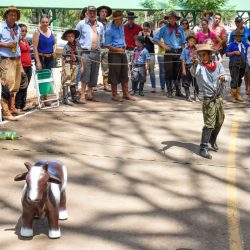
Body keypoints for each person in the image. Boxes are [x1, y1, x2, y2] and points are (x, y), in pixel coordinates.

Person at [192, 44, 226, 159]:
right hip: (208, 99)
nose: (202, 57)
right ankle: (203, 148)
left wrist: (223, 78)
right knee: (209, 124)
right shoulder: (200, 67)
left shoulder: (219, 65)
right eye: (200, 55)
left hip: (219, 98)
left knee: (220, 120)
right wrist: (195, 63)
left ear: (210, 54)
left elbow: (226, 76)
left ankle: (212, 140)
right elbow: (193, 73)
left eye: (204, 55)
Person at [153, 11, 186, 98]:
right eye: (170, 18)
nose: (172, 19)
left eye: (174, 18)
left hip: (178, 51)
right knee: (168, 72)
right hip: (169, 51)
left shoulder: (180, 28)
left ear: (176, 19)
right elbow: (155, 38)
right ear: (168, 19)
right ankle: (169, 91)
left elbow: (183, 41)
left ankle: (178, 91)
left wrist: (184, 53)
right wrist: (163, 45)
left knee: (178, 72)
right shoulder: (164, 28)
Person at [104, 10, 136, 102]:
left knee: (124, 72)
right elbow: (107, 45)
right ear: (115, 19)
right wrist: (118, 50)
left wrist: (123, 48)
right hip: (114, 53)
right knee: (114, 73)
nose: (122, 20)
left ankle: (126, 94)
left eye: (122, 19)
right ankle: (114, 94)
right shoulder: (109, 30)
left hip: (122, 51)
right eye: (120, 19)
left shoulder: (121, 26)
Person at [76, 6, 104, 103]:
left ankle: (90, 93)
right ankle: (82, 95)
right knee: (85, 73)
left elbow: (102, 40)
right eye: (90, 12)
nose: (92, 14)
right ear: (87, 13)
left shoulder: (100, 25)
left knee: (94, 73)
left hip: (96, 52)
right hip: (85, 52)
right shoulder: (81, 24)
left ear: (96, 13)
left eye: (94, 12)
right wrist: (78, 53)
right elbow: (76, 39)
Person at [0, 6, 22, 121]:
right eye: (11, 14)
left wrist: (21, 63)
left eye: (15, 15)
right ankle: (5, 112)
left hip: (16, 59)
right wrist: (6, 45)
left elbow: (17, 43)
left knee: (15, 86)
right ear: (6, 15)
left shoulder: (17, 28)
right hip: (6, 59)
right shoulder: (1, 27)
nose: (13, 16)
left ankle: (12, 107)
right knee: (6, 86)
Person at [229, 16, 250, 95]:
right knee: (235, 75)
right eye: (236, 22)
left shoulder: (248, 31)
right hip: (236, 59)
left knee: (247, 72)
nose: (238, 23)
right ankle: (234, 94)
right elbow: (230, 44)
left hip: (247, 55)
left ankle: (247, 88)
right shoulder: (232, 33)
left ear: (242, 22)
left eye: (239, 22)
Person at [226, 29, 249, 103]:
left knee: (239, 78)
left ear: (241, 37)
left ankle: (237, 94)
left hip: (242, 63)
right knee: (234, 78)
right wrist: (234, 52)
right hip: (234, 63)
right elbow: (227, 54)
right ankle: (232, 95)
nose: (238, 37)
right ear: (235, 36)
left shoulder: (245, 44)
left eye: (239, 36)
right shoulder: (231, 45)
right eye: (237, 36)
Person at [61, 29, 82, 105]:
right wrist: (63, 68)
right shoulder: (66, 47)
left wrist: (82, 66)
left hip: (75, 64)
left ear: (74, 37)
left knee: (73, 79)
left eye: (72, 36)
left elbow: (80, 56)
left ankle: (74, 97)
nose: (70, 38)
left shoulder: (78, 46)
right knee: (67, 78)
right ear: (67, 38)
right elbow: (63, 58)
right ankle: (65, 98)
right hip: (67, 63)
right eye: (69, 36)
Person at [15, 24, 33, 112]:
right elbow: (17, 56)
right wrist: (21, 68)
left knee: (26, 86)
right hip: (21, 67)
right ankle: (17, 106)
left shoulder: (26, 41)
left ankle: (23, 105)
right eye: (22, 31)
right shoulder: (17, 42)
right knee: (21, 87)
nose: (24, 33)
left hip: (29, 66)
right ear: (18, 31)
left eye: (25, 31)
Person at [97, 5, 112, 92]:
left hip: (107, 47)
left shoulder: (110, 23)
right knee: (95, 66)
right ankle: (93, 85)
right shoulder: (95, 22)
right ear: (99, 13)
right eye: (102, 11)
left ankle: (106, 84)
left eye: (105, 12)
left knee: (106, 67)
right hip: (97, 47)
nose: (104, 13)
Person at [138, 22, 156, 93]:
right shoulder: (140, 33)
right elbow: (138, 42)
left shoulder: (153, 32)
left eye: (146, 29)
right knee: (140, 70)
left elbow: (155, 42)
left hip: (151, 53)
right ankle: (139, 87)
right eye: (144, 29)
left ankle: (153, 87)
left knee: (151, 71)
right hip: (142, 54)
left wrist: (149, 37)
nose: (145, 31)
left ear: (149, 28)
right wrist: (143, 37)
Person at [180, 35, 198, 102]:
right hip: (187, 66)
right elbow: (183, 60)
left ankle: (196, 95)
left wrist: (196, 59)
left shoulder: (197, 50)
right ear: (187, 42)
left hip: (195, 67)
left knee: (196, 82)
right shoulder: (185, 50)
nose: (191, 42)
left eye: (193, 41)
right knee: (186, 82)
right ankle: (188, 96)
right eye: (190, 41)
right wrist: (183, 69)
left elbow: (199, 58)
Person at [155, 20, 167, 92]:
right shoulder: (158, 35)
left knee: (168, 71)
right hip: (161, 55)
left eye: (164, 26)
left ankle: (170, 86)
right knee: (162, 71)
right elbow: (156, 42)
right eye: (161, 26)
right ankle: (162, 87)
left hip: (169, 54)